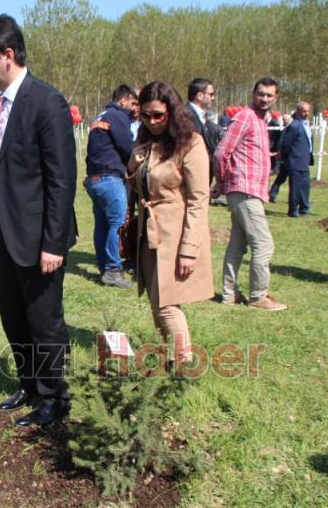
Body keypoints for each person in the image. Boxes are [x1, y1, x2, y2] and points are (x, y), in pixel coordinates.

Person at [0, 14, 77, 427]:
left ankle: (54, 399)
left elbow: (62, 180)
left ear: (8, 55)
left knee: (44, 322)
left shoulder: (47, 102)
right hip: (3, 232)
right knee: (12, 314)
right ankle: (29, 385)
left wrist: (54, 243)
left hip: (38, 236)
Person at [127, 81, 213, 365]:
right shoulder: (146, 144)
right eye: (146, 115)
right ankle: (172, 359)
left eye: (158, 115)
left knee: (166, 305)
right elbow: (136, 181)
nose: (152, 121)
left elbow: (199, 199)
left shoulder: (191, 143)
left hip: (175, 235)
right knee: (156, 302)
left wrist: (189, 248)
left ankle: (184, 364)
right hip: (148, 233)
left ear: (172, 112)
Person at [213, 77, 287, 311]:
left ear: (275, 98)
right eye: (261, 94)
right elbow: (221, 153)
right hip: (243, 189)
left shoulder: (260, 120)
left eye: (269, 95)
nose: (264, 99)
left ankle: (229, 294)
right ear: (253, 94)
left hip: (250, 190)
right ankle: (258, 297)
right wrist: (222, 182)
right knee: (264, 244)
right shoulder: (245, 117)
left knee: (237, 244)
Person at [84, 84, 137, 288]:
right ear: (124, 99)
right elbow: (127, 147)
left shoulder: (101, 115)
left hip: (96, 179)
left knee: (103, 224)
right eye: (133, 103)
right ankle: (113, 270)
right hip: (110, 179)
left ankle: (104, 265)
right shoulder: (117, 116)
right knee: (117, 224)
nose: (134, 108)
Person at [279, 102, 314, 217]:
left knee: (305, 186)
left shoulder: (306, 125)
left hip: (304, 161)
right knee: (296, 187)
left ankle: (304, 208)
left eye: (308, 111)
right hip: (295, 161)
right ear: (298, 111)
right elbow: (286, 143)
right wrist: (284, 157)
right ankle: (293, 209)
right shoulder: (294, 126)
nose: (307, 113)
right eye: (304, 111)